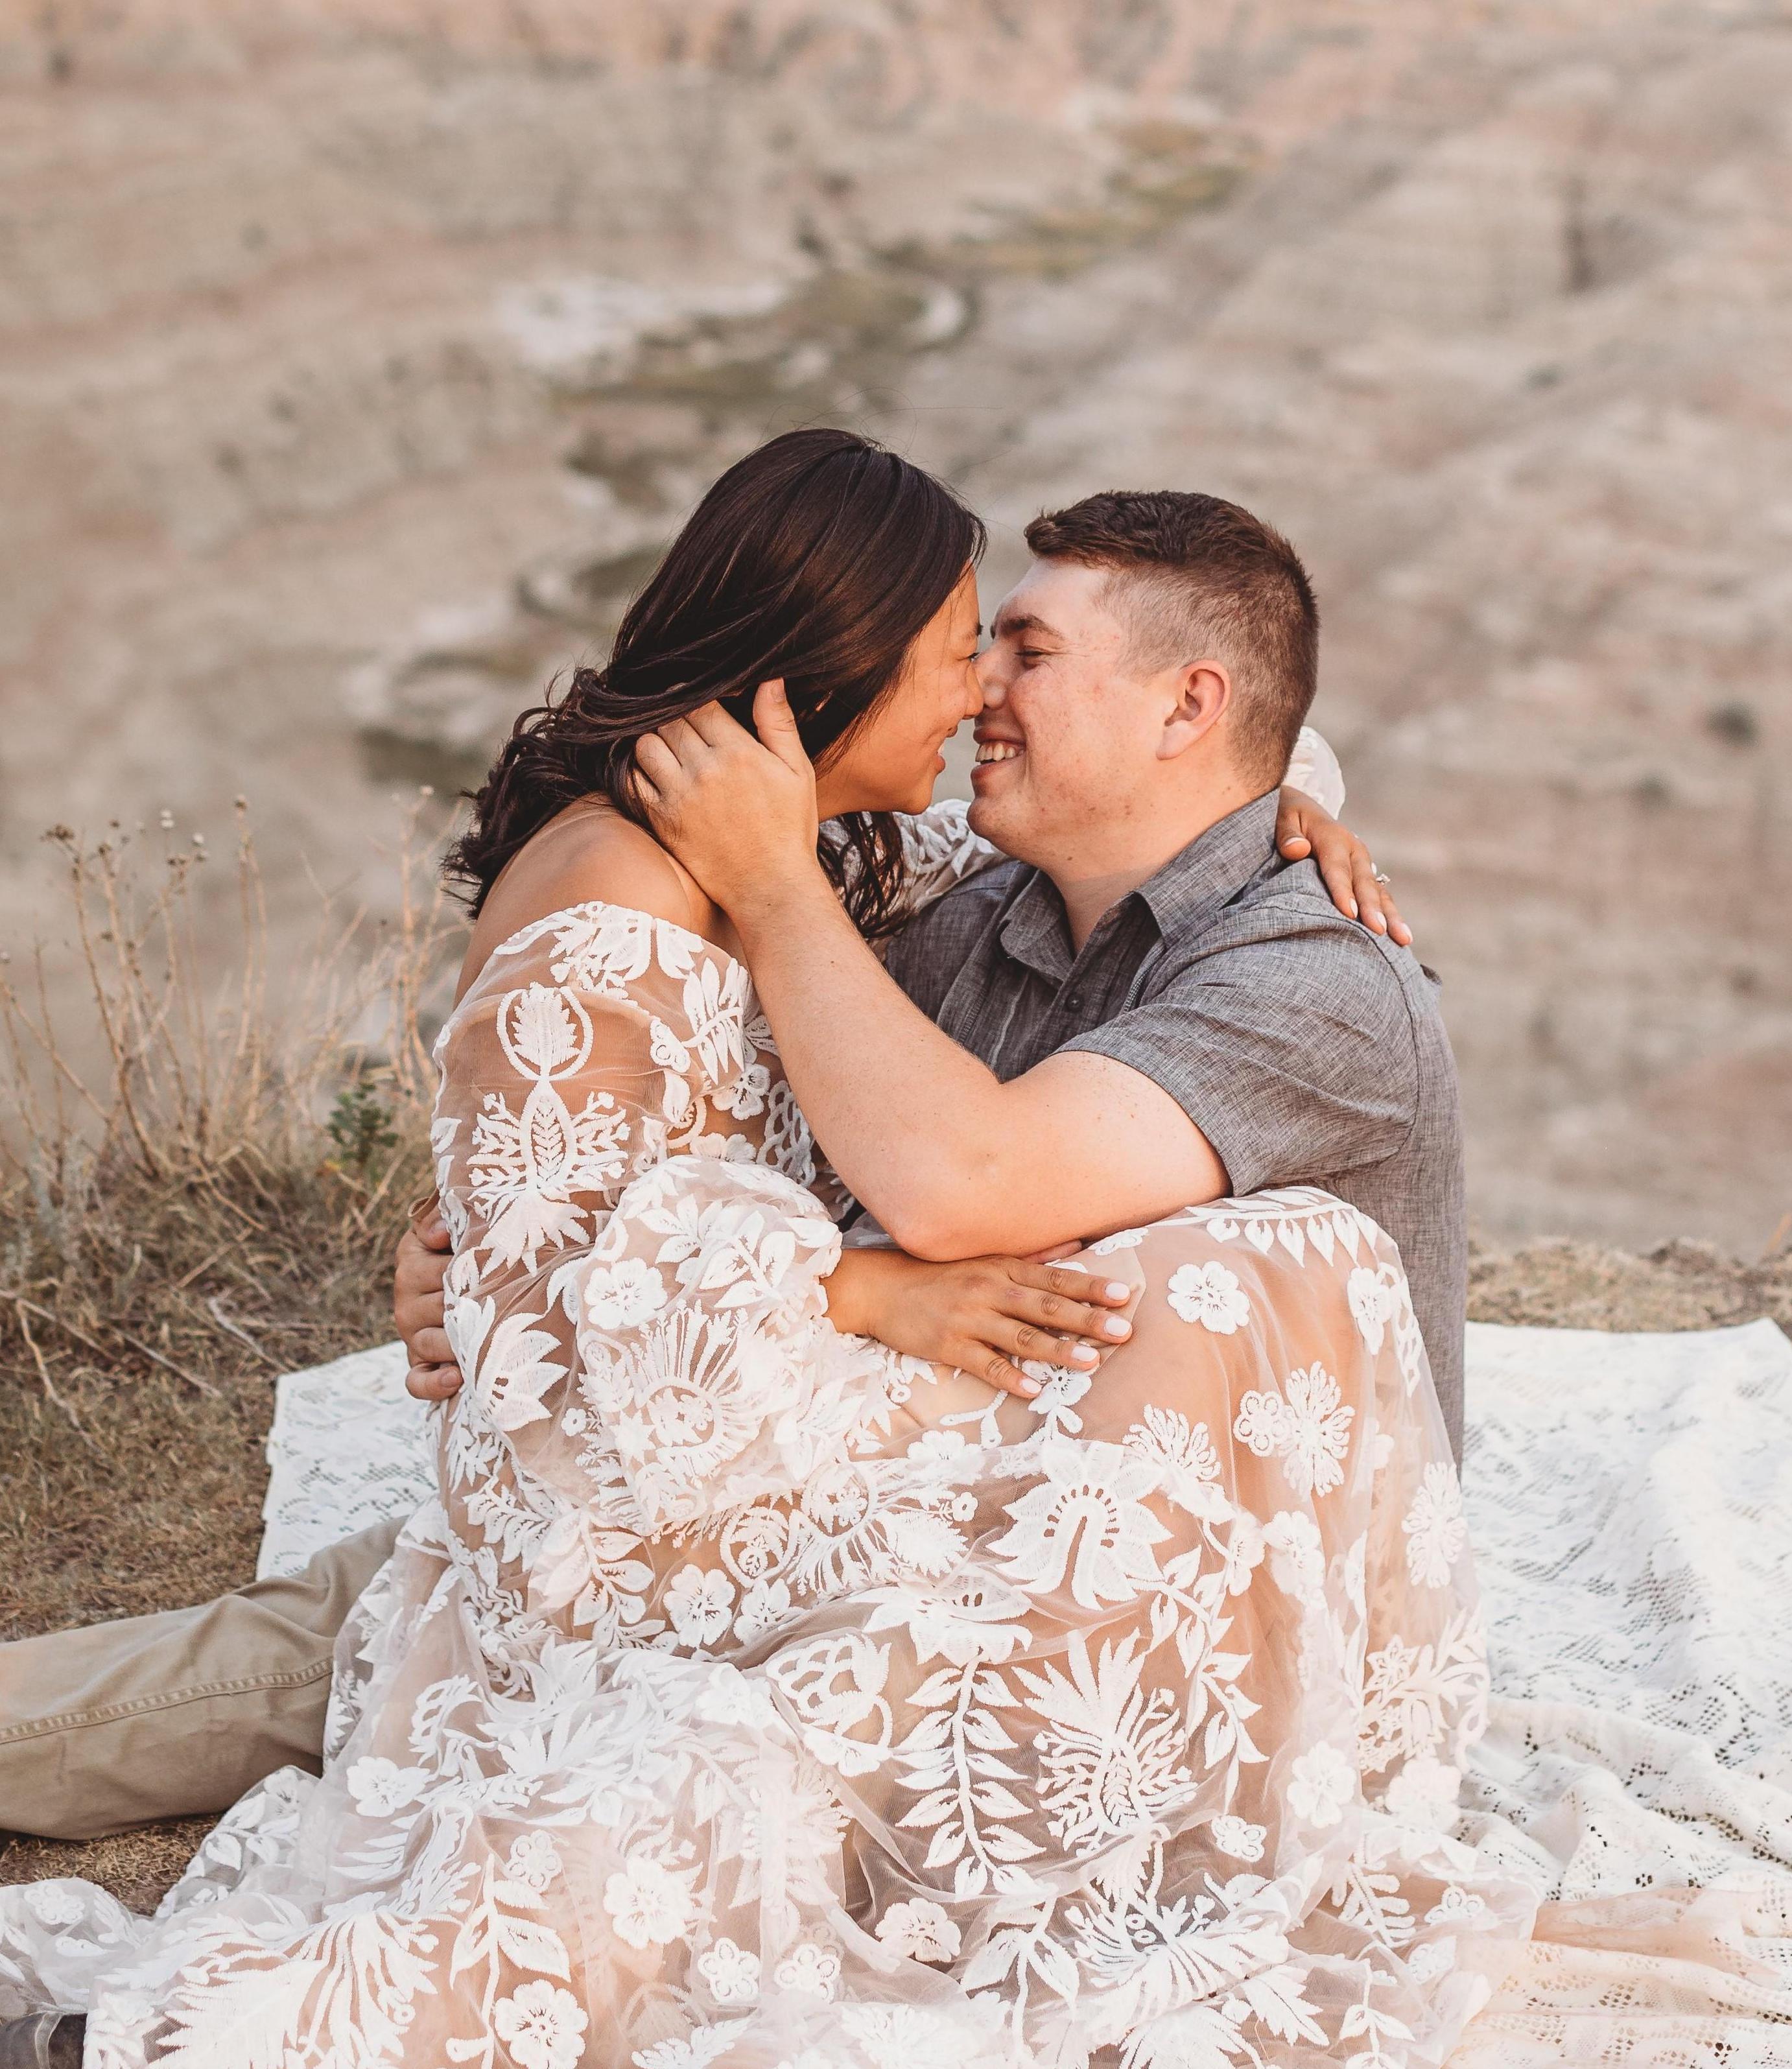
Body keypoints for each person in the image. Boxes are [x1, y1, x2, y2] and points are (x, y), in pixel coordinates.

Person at [0, 432, 1518, 2069]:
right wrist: (525, 1265)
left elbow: (957, 1174)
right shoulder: (953, 901)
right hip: (721, 1475)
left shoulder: (1303, 973)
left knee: (588, 1717)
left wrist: (1279, 793)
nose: (985, 692)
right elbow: (579, 1158)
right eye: (970, 650)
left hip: (1095, 1545)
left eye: (1024, 651)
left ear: (1188, 711)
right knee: (411, 1650)